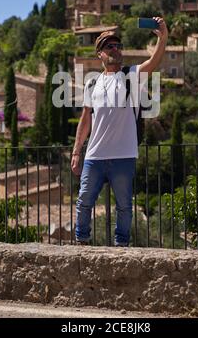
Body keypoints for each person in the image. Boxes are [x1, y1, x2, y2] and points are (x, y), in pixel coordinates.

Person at [71, 17, 168, 246]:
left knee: (124, 206)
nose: (115, 49)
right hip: (94, 155)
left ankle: (121, 247)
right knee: (84, 201)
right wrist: (77, 152)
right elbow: (85, 120)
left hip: (124, 155)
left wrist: (163, 38)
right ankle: (81, 243)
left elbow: (153, 61)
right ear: (100, 54)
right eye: (109, 46)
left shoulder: (131, 76)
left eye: (117, 46)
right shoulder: (91, 84)